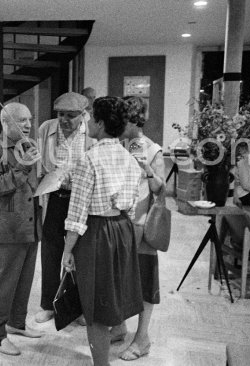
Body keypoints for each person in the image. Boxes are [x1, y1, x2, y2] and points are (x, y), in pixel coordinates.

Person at [62, 96, 144, 366]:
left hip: (96, 232)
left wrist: (67, 250)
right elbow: (132, 209)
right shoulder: (130, 159)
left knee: (94, 303)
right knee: (114, 292)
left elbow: (77, 214)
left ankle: (101, 364)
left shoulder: (88, 159)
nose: (86, 122)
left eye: (89, 117)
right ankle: (117, 333)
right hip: (123, 229)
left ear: (99, 122)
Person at [0, 102, 43, 356]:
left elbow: (31, 184)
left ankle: (16, 323)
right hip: (6, 228)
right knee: (5, 283)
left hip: (29, 225)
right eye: (22, 120)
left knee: (24, 280)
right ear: (6, 123)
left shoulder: (26, 146)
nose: (28, 124)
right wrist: (24, 166)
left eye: (29, 119)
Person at [111, 95, 165, 361]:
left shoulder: (153, 149)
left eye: (124, 119)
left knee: (144, 283)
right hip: (119, 225)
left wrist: (148, 171)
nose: (119, 124)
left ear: (134, 120)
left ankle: (142, 338)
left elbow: (160, 189)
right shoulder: (118, 145)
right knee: (119, 278)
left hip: (142, 226)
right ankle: (119, 326)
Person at [35, 92, 94, 324]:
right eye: (60, 114)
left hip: (80, 198)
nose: (64, 120)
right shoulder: (46, 129)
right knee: (50, 250)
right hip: (54, 197)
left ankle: (73, 305)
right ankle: (48, 304)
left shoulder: (92, 133)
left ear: (83, 114)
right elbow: (38, 162)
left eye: (71, 115)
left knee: (78, 252)